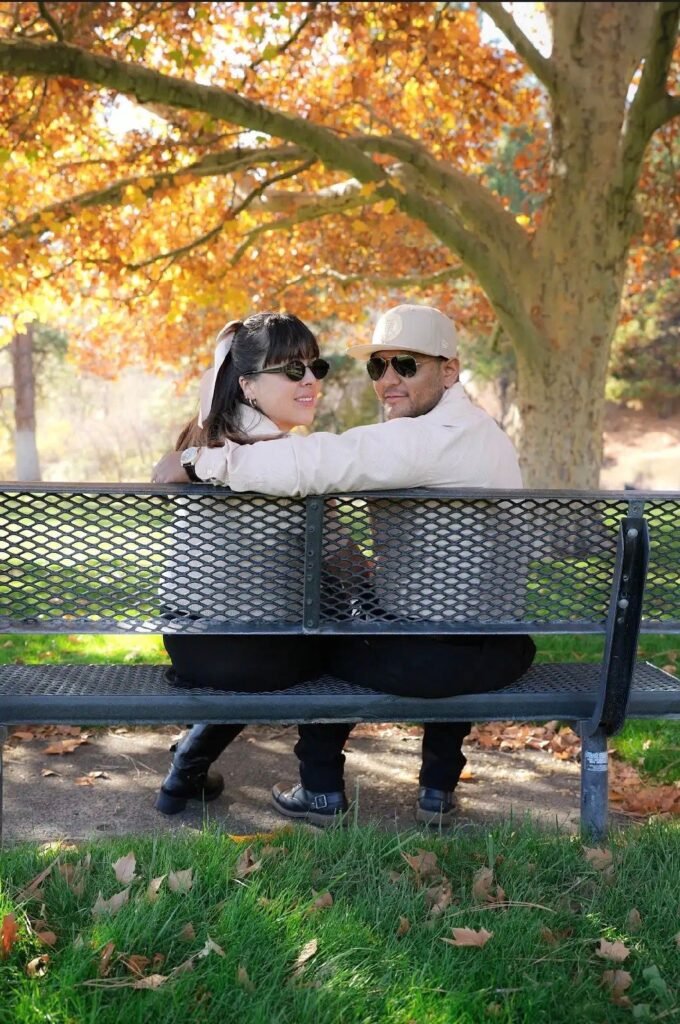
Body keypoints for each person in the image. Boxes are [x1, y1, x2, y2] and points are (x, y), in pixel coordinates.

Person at [153, 303, 536, 826]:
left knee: (333, 638)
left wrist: (197, 461)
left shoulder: (419, 439)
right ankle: (437, 792)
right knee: (414, 619)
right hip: (503, 651)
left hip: (418, 658)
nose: (388, 380)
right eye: (378, 367)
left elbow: (311, 463)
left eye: (406, 364)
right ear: (246, 384)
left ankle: (320, 791)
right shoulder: (486, 433)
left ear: (449, 370)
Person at [153, 311, 331, 815]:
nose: (311, 381)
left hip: (188, 646)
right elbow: (343, 569)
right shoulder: (296, 462)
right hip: (259, 655)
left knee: (259, 634)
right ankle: (322, 786)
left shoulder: (197, 445)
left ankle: (188, 764)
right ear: (249, 386)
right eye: (293, 371)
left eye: (317, 368)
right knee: (340, 643)